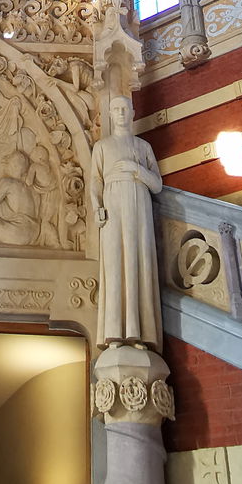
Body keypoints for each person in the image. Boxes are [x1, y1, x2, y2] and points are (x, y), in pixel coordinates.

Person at [89, 96, 163, 349]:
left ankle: (138, 333)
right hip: (113, 207)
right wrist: (97, 206)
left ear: (132, 113)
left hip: (139, 205)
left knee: (138, 262)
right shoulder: (102, 147)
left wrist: (136, 169)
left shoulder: (143, 146)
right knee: (115, 265)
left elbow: (157, 185)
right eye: (116, 109)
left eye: (125, 109)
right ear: (110, 115)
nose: (121, 113)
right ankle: (114, 333)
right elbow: (95, 181)